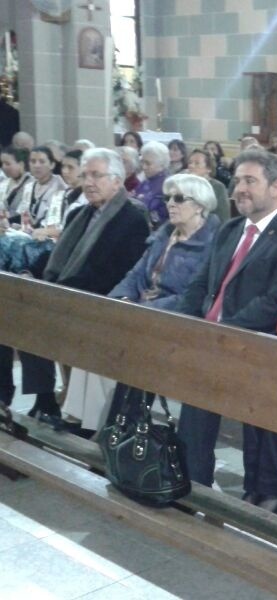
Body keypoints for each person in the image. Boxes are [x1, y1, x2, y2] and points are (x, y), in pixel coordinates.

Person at [177, 149, 277, 515]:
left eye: (250, 181)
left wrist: (220, 333)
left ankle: (257, 494)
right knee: (192, 407)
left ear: (275, 187)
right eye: (238, 180)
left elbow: (274, 301)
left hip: (253, 345)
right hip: (209, 339)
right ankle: (192, 487)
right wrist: (184, 324)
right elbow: (200, 284)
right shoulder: (229, 229)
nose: (239, 188)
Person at [58, 174, 220, 434]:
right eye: (168, 198)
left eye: (179, 198)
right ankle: (81, 420)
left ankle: (102, 427)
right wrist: (121, 300)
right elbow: (134, 275)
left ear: (200, 205)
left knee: (113, 348)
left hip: (173, 321)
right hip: (140, 312)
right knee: (90, 337)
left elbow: (190, 296)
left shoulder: (211, 244)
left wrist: (143, 312)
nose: (171, 204)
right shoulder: (164, 234)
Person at [7, 148, 150, 419]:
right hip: (66, 294)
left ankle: (71, 408)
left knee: (38, 319)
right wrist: (30, 272)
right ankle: (44, 398)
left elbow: (118, 271)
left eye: (96, 175)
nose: (88, 182)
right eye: (85, 176)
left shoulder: (132, 219)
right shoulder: (79, 214)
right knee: (20, 313)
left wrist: (64, 289)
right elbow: (57, 255)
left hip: (97, 302)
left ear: (117, 180)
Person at [16, 146, 66, 231]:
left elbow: (55, 222)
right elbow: (23, 214)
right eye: (33, 161)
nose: (37, 165)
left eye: (42, 162)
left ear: (52, 165)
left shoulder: (60, 188)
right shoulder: (28, 187)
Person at [187, 149, 231, 223]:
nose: (191, 166)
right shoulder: (184, 185)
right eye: (190, 162)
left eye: (197, 163)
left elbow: (224, 218)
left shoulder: (218, 187)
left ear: (209, 168)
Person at [134, 141, 170, 228]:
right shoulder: (145, 181)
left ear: (161, 165)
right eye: (142, 162)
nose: (144, 167)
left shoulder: (168, 185)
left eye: (148, 163)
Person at [0, 147, 32, 216]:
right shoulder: (3, 183)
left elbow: (23, 212)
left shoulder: (31, 184)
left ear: (21, 164)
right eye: (2, 164)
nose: (3, 167)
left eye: (7, 164)